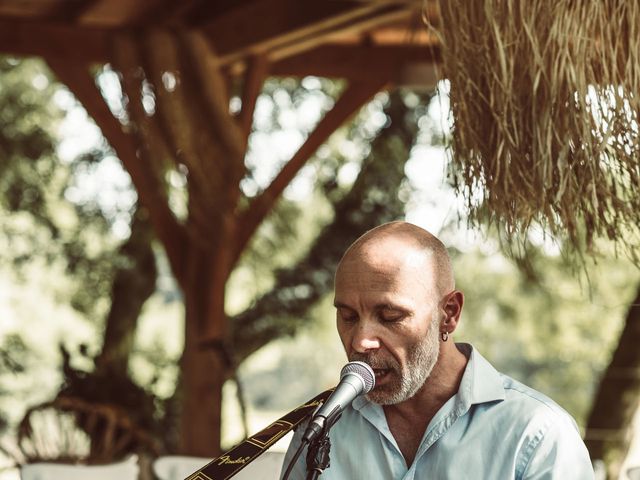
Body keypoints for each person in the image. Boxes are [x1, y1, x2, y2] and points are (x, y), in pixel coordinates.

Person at [280, 221, 594, 479]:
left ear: (450, 313)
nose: (361, 341)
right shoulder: (317, 429)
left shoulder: (538, 434)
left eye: (390, 316)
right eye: (348, 316)